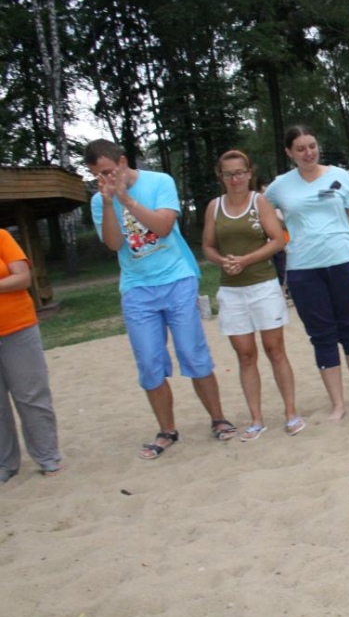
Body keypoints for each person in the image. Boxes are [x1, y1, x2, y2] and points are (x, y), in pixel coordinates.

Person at [85, 139, 236, 459]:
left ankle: (218, 419)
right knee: (149, 361)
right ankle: (167, 430)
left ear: (122, 162)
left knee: (192, 352)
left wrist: (126, 200)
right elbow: (113, 244)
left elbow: (164, 227)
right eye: (97, 175)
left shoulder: (159, 182)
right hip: (136, 287)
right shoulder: (100, 201)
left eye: (108, 171)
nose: (105, 179)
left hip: (177, 277)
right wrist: (110, 203)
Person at [265, 126, 349, 422]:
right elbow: (261, 212)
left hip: (345, 262)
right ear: (289, 152)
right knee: (322, 336)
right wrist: (277, 229)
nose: (308, 153)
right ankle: (337, 404)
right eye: (300, 148)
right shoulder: (279, 186)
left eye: (312, 146)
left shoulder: (340, 176)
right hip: (303, 270)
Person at [202, 150, 304, 440]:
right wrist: (222, 261)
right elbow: (208, 246)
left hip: (262, 285)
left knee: (275, 350)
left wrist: (246, 260)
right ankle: (256, 419)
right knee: (245, 356)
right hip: (231, 291)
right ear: (221, 177)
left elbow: (278, 240)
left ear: (249, 173)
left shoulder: (259, 202)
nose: (234, 179)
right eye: (228, 174)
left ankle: (291, 413)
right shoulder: (214, 207)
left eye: (239, 172)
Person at [0, 229, 62, 482]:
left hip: (17, 327)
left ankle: (47, 456)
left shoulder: (2, 237)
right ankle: (5, 464)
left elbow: (22, 277)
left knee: (31, 394)